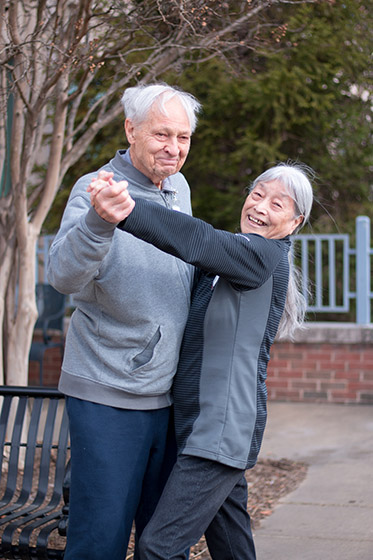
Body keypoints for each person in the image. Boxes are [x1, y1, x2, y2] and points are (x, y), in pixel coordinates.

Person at [88, 161, 314, 559]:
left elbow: (199, 239)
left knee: (158, 549)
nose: (260, 207)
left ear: (294, 223)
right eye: (257, 195)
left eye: (278, 204)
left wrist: (130, 211)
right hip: (202, 427)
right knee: (231, 543)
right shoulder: (234, 261)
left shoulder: (261, 256)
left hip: (220, 430)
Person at [47, 83, 202, 560]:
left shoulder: (178, 187)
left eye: (183, 137)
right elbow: (62, 276)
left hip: (167, 394)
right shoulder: (97, 188)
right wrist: (98, 224)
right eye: (161, 134)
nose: (173, 148)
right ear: (131, 129)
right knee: (100, 540)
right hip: (109, 393)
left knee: (160, 540)